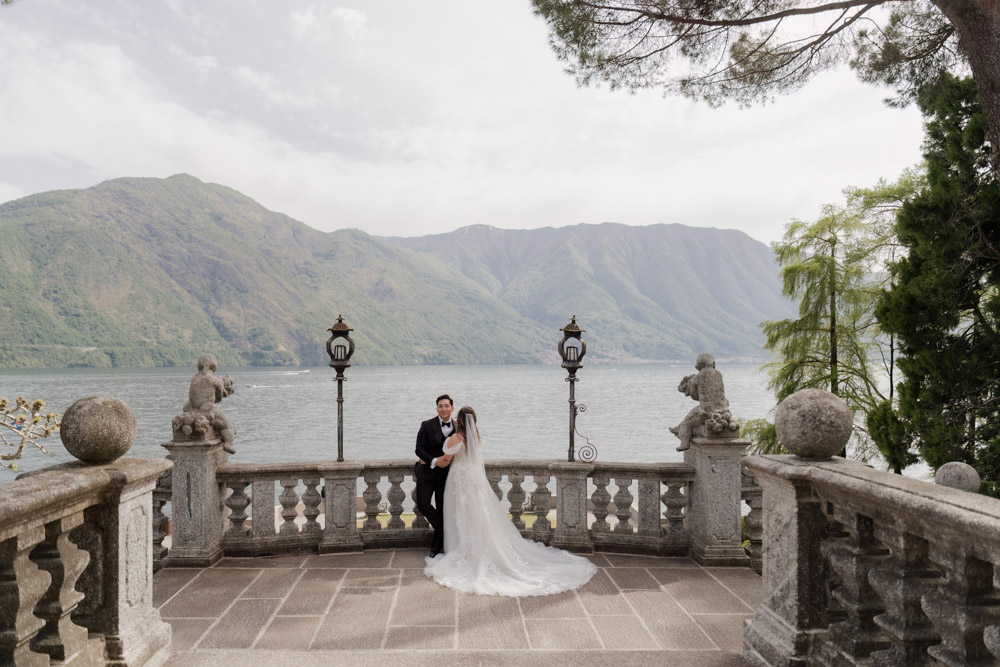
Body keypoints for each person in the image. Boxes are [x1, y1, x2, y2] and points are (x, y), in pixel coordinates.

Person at [424, 406, 597, 596]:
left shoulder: (456, 438)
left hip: (459, 480)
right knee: (478, 514)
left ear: (459, 419)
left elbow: (447, 459)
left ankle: (463, 549)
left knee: (461, 514)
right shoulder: (476, 438)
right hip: (473, 481)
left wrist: (428, 461)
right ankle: (474, 547)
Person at [414, 394, 455, 557]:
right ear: (437, 408)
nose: (443, 409)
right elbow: (419, 449)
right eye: (440, 406)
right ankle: (444, 529)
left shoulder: (459, 427)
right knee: (423, 504)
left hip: (447, 476)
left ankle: (436, 548)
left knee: (442, 508)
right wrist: (434, 461)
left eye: (446, 405)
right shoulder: (426, 425)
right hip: (426, 472)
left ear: (452, 407)